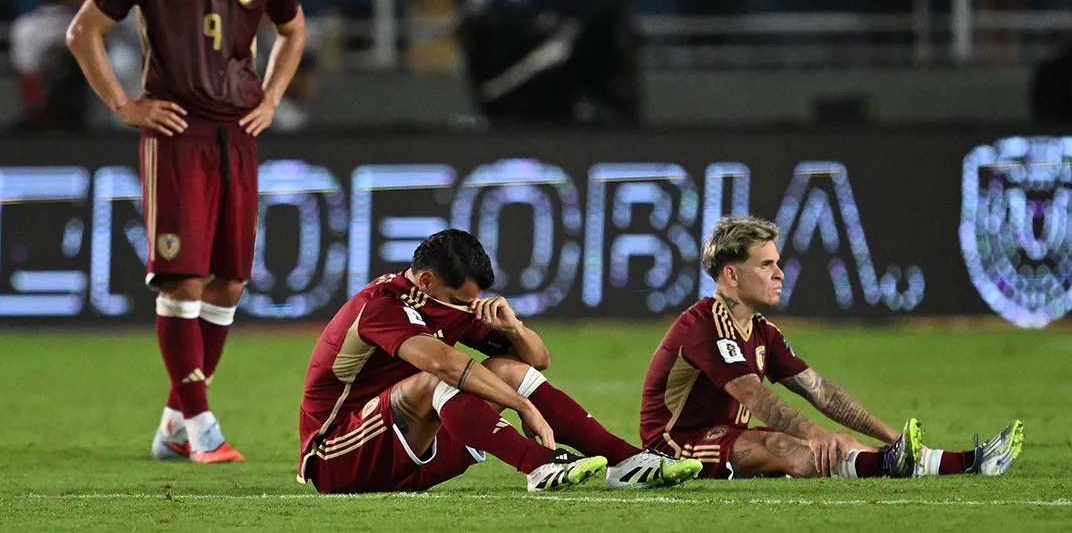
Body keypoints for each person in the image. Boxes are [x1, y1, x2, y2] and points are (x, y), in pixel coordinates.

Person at [66, 0, 307, 464]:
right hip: (176, 133)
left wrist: (273, 97)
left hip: (238, 133)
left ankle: (175, 422)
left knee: (228, 281)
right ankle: (201, 426)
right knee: (183, 278)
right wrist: (125, 104)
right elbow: (81, 32)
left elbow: (294, 30)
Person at [298, 229, 703, 493]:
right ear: (426, 281)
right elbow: (445, 367)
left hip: (410, 453)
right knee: (438, 378)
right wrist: (522, 407)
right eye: (462, 300)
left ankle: (626, 461)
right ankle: (539, 465)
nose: (468, 309)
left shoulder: (446, 304)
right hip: (337, 458)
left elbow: (537, 360)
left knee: (507, 369)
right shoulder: (380, 306)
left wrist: (513, 329)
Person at [640, 215, 1025, 479]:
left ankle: (967, 462)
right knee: (785, 445)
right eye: (766, 265)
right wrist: (813, 433)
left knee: (841, 442)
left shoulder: (762, 331)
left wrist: (892, 437)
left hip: (723, 435)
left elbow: (820, 391)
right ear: (731, 274)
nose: (779, 273)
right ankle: (891, 466)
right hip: (675, 446)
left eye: (778, 262)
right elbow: (754, 397)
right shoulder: (704, 326)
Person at [11, 0, 107, 131]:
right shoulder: (29, 26)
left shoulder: (99, 20)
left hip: (104, 119)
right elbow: (30, 79)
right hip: (55, 114)